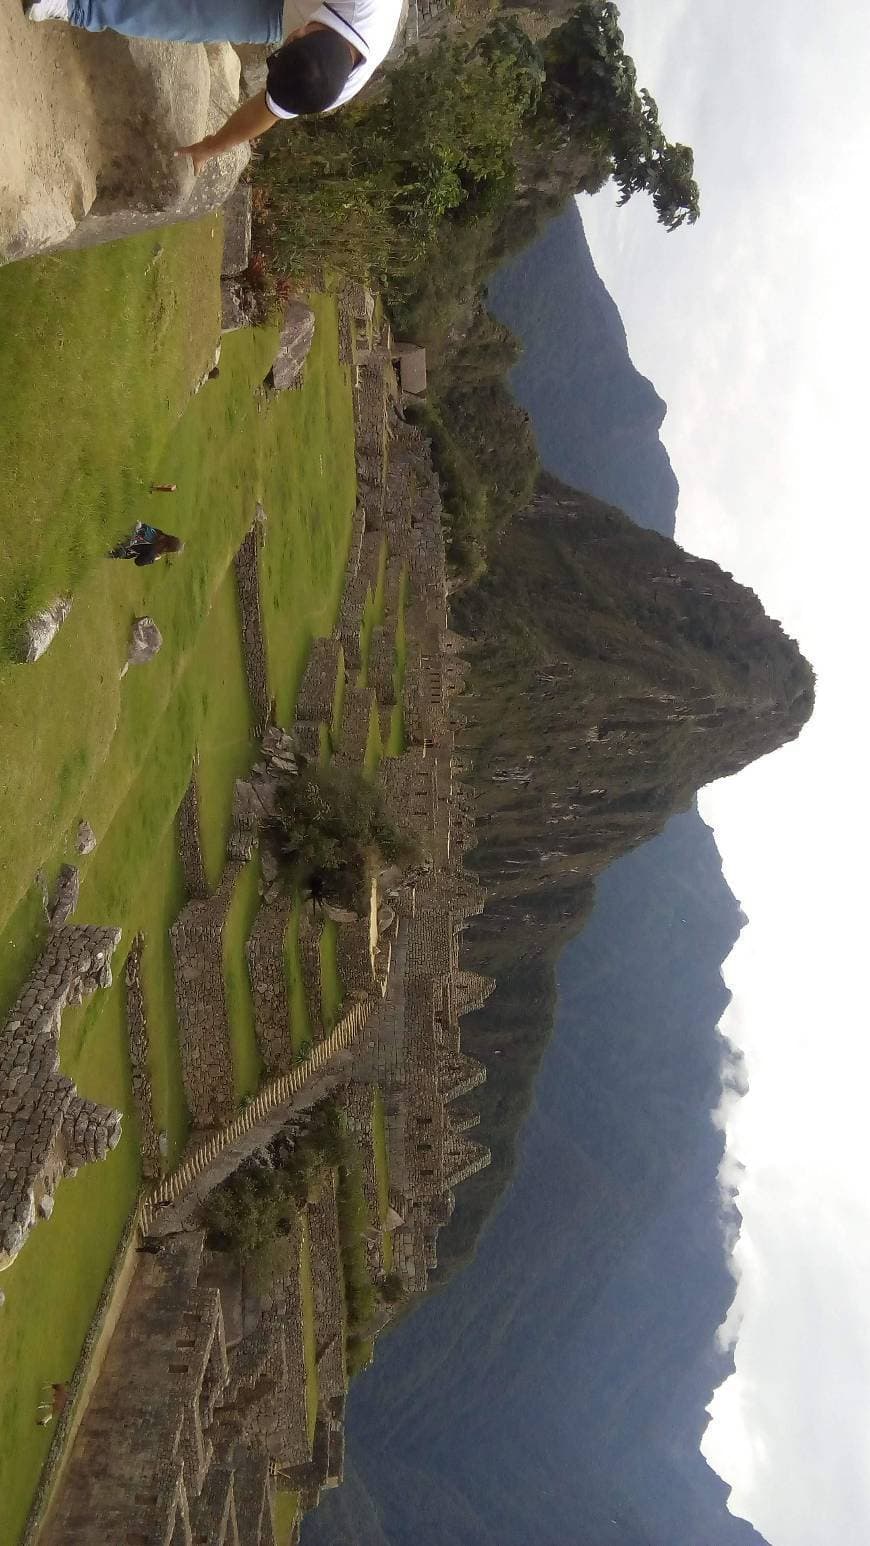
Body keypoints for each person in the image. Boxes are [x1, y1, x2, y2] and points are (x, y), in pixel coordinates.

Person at [23, 0, 404, 173]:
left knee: (185, 15)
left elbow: (267, 111)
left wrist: (212, 146)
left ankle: (76, 4)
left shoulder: (331, 86)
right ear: (301, 36)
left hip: (281, 8)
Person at [109, 523, 185, 566]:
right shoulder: (152, 552)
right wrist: (152, 559)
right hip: (121, 548)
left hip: (122, 531)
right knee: (118, 552)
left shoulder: (158, 533)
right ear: (167, 549)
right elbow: (138, 562)